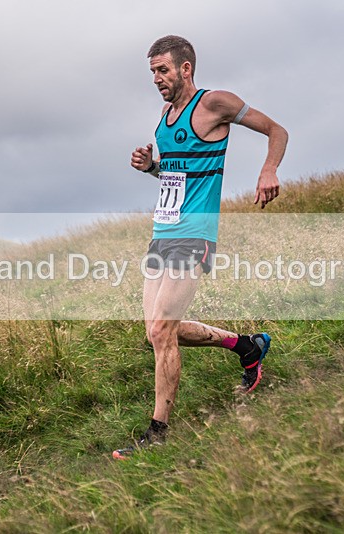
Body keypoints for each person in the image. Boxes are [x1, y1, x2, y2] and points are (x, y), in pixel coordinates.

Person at [113, 35, 288, 460]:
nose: (156, 79)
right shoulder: (165, 116)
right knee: (159, 331)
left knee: (160, 330)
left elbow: (276, 130)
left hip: (195, 236)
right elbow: (180, 179)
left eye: (163, 70)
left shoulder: (214, 104)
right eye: (152, 72)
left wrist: (268, 170)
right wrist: (152, 167)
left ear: (185, 68)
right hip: (164, 231)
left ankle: (157, 434)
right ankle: (246, 346)